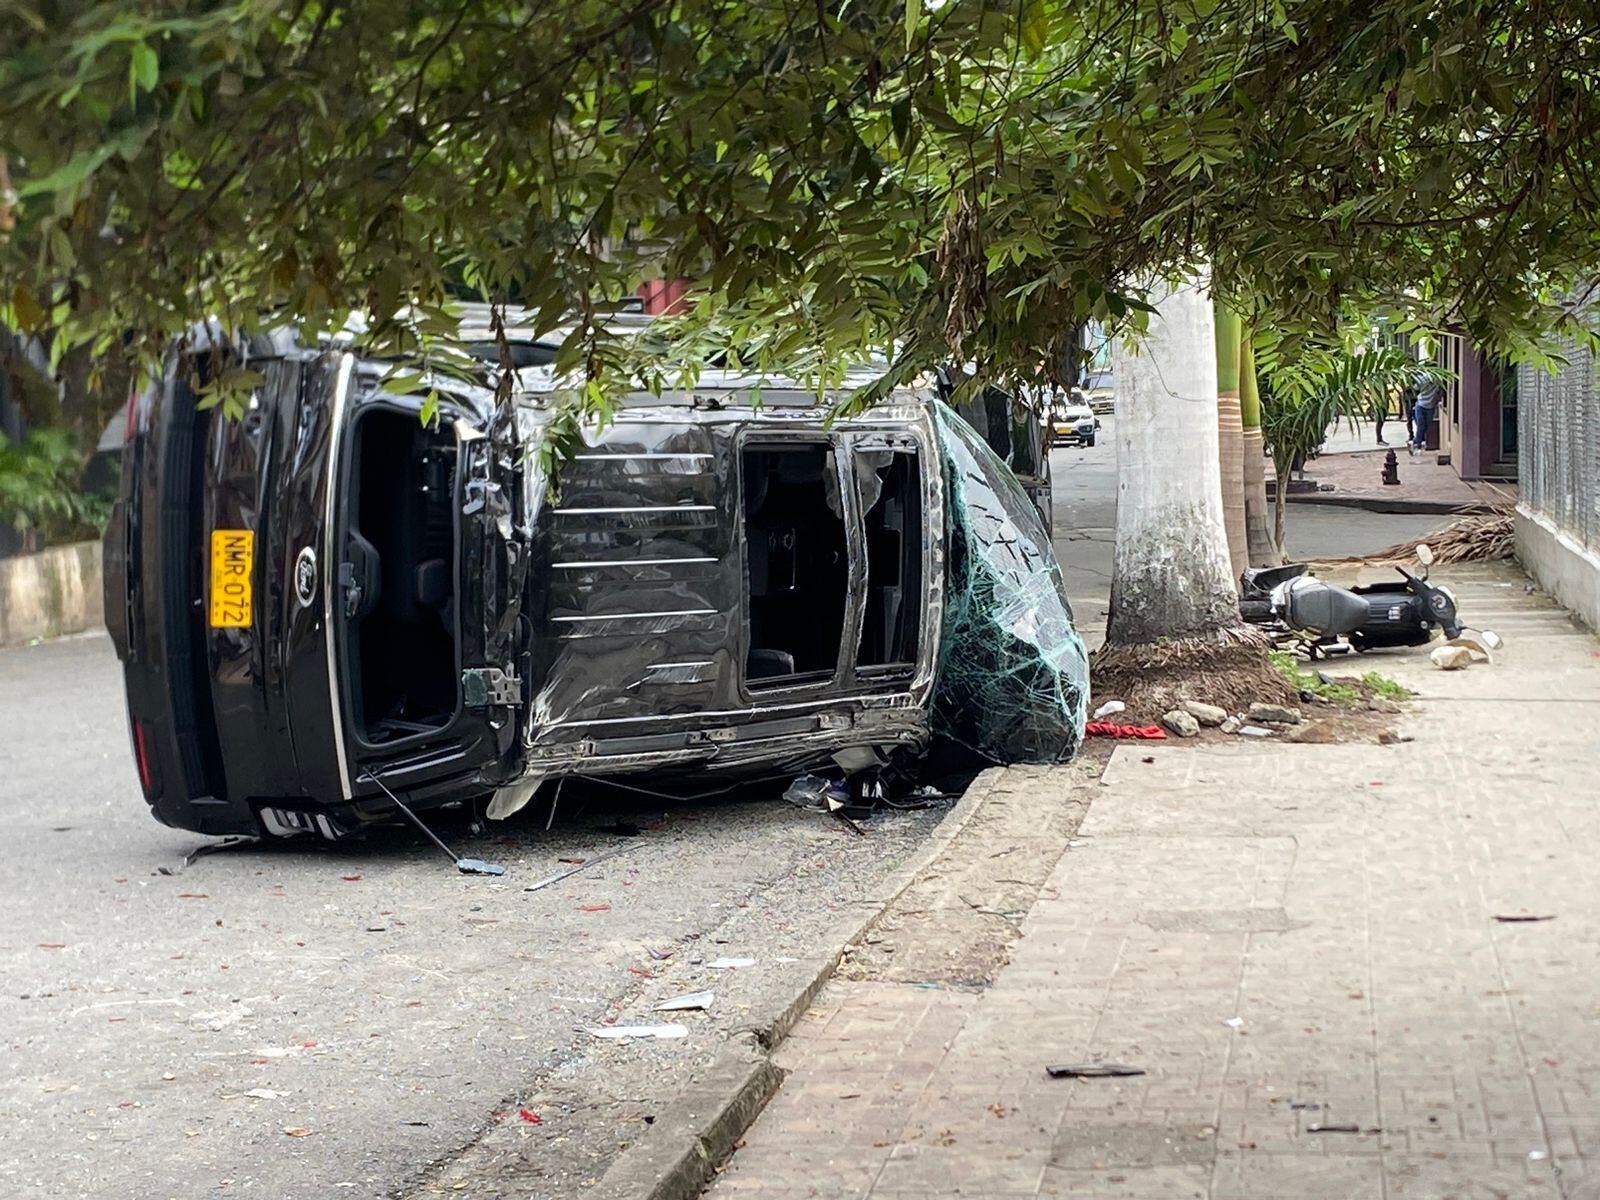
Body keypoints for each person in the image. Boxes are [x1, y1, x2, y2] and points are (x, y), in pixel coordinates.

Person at [1409, 378, 1441, 455]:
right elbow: (1415, 387)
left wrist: (1437, 399)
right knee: (1420, 424)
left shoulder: (1438, 380)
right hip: (1420, 404)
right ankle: (1417, 444)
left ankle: (1416, 441)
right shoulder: (1423, 377)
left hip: (1430, 406)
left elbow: (1441, 390)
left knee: (1427, 425)